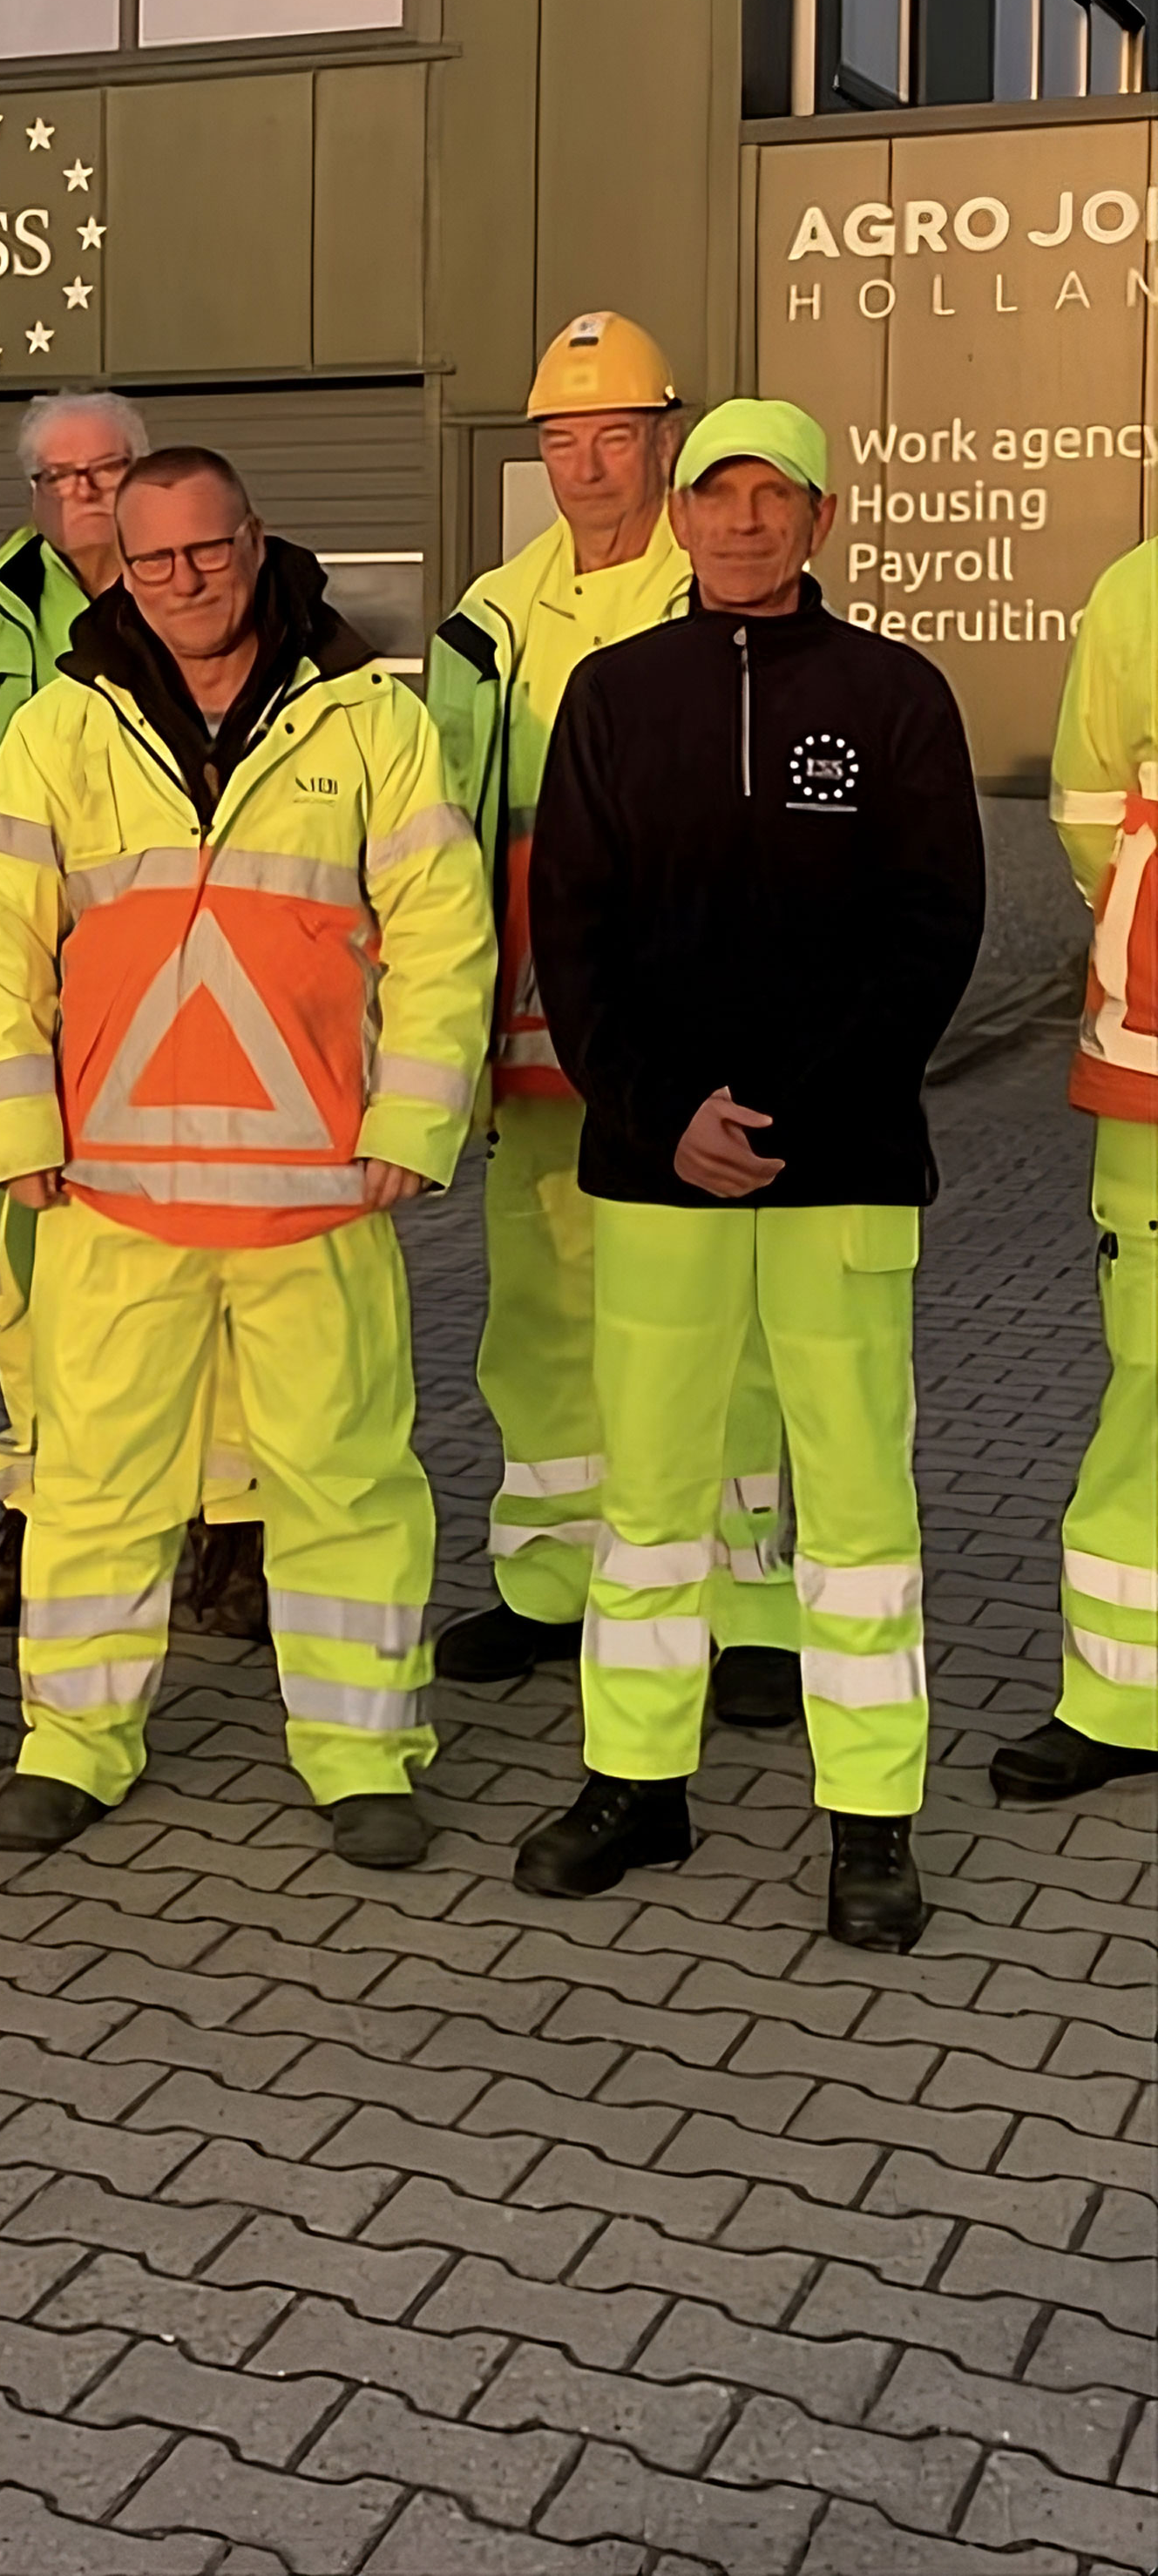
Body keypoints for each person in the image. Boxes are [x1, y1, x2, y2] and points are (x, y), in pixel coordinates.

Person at [0, 448, 492, 1864]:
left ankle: (363, 1754)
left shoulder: (367, 717)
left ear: (256, 540)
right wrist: (14, 1132)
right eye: (154, 559)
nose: (184, 580)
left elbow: (443, 928)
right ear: (119, 568)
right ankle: (73, 1743)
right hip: (112, 1191)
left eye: (208, 548)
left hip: (319, 1191)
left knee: (346, 1485)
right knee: (93, 1488)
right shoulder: (64, 724)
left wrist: (415, 1119)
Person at [519, 400, 983, 1953]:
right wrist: (666, 1116)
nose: (739, 521)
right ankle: (635, 1784)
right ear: (682, 516)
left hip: (841, 1170)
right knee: (650, 1503)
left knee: (857, 1506)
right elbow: (573, 933)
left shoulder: (895, 694)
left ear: (819, 519)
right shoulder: (611, 695)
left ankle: (872, 1817)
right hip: (656, 1174)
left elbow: (935, 929)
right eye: (714, 494)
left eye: (770, 496)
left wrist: (784, 1111)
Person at [427, 313, 800, 1721]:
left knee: (725, 1323)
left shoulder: (717, 591)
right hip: (533, 1028)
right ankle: (551, 1579)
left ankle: (751, 1606)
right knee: (540, 1312)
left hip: (685, 1025)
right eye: (562, 437)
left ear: (665, 442)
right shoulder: (489, 616)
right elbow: (440, 833)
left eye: (616, 435)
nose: (586, 463)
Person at [0, 389, 257, 1641]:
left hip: (209, 1006)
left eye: (104, 471)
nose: (81, 494)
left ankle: (230, 1514)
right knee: (27, 1281)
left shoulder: (215, 614)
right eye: (61, 478)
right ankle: (38, 1498)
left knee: (225, 1267)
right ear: (35, 495)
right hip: (49, 1016)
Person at [991, 535, 1158, 1804]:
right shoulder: (1137, 591)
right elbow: (1092, 811)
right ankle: (1120, 1696)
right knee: (1150, 1375)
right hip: (1157, 1058)